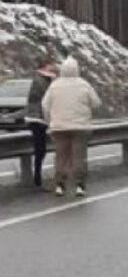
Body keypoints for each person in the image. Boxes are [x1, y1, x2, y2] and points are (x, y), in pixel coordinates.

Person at [41, 57, 101, 197]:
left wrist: (50, 120)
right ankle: (79, 184)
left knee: (61, 156)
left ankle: (60, 185)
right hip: (80, 127)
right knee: (79, 156)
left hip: (59, 127)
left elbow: (45, 104)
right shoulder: (84, 85)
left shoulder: (55, 85)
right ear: (77, 70)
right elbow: (96, 103)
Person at [25, 57, 58, 187]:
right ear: (45, 66)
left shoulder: (43, 79)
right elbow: (43, 99)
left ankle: (37, 178)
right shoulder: (40, 80)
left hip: (38, 117)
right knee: (40, 149)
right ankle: (37, 179)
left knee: (41, 149)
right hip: (37, 118)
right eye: (51, 65)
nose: (53, 67)